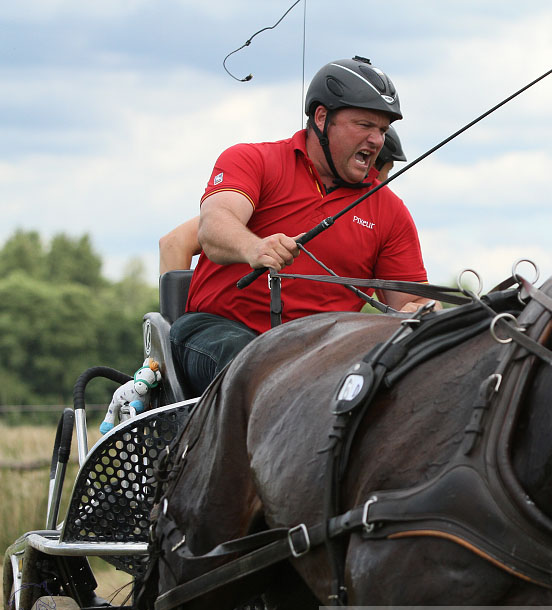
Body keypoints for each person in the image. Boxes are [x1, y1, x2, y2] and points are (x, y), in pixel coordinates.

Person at [169, 56, 433, 398]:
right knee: (258, 365)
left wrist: (420, 311)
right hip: (220, 332)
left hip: (325, 354)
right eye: (364, 125)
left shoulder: (390, 211)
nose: (376, 140)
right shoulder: (253, 160)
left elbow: (411, 301)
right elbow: (214, 227)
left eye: (382, 130)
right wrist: (254, 247)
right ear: (322, 118)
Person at [158, 125, 408, 273]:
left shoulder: (381, 213)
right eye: (384, 174)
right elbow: (174, 242)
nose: (382, 184)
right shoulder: (264, 196)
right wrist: (174, 327)